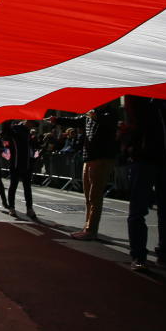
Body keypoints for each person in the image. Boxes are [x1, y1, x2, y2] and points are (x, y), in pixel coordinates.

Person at [123, 95, 166, 271]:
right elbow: (136, 119)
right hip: (144, 160)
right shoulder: (136, 96)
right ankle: (138, 255)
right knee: (138, 210)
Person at [50, 102, 120, 240]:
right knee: (88, 196)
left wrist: (96, 117)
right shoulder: (91, 113)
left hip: (101, 157)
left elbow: (111, 122)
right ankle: (87, 227)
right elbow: (76, 121)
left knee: (95, 195)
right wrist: (57, 119)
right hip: (88, 157)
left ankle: (91, 230)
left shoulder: (109, 113)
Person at [2, 120, 36, 219]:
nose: (32, 126)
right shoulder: (16, 129)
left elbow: (32, 149)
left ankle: (29, 209)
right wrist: (8, 119)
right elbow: (5, 133)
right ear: (26, 121)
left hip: (26, 164)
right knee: (13, 186)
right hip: (16, 163)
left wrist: (34, 159)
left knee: (27, 187)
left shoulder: (28, 133)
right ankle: (12, 208)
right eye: (31, 123)